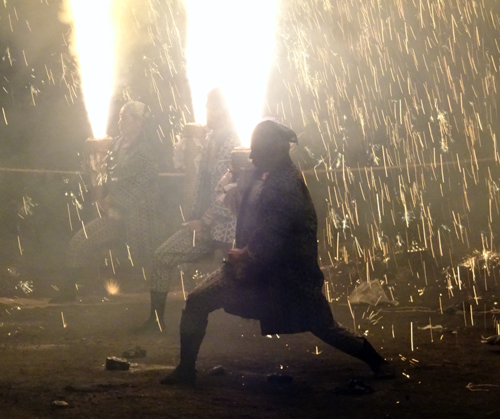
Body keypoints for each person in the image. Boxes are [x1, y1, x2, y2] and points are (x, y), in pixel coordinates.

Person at [161, 119, 393, 385]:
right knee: (197, 301)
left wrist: (246, 254)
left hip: (284, 278)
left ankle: (376, 361)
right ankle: (186, 369)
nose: (251, 156)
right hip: (255, 272)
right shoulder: (266, 174)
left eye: (257, 151)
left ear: (273, 151)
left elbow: (274, 231)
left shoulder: (285, 184)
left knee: (323, 326)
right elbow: (249, 210)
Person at [137, 88, 240, 331]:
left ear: (221, 110)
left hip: (229, 229)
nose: (206, 112)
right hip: (206, 226)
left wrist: (204, 222)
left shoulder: (234, 144)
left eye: (209, 107)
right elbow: (203, 184)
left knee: (241, 275)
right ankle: (156, 320)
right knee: (162, 257)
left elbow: (229, 192)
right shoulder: (211, 139)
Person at [51, 101, 163, 302]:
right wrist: (93, 166)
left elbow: (140, 182)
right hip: (111, 213)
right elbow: (106, 173)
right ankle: (72, 288)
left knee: (90, 245)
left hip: (137, 219)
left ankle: (80, 289)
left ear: (138, 122)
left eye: (124, 117)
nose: (119, 121)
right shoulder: (117, 143)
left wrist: (114, 200)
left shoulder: (147, 150)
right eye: (119, 117)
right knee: (79, 242)